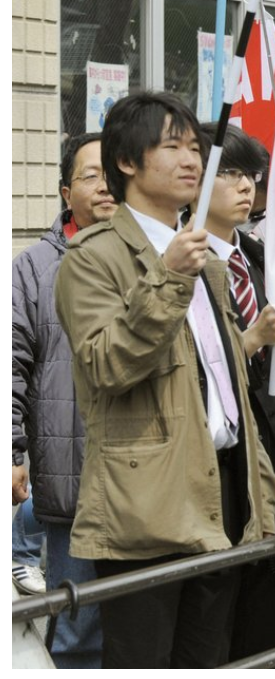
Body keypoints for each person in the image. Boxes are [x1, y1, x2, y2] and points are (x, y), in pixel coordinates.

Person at [53, 92, 275, 669]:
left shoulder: (206, 259)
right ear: (127, 162)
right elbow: (106, 365)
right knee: (145, 660)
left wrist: (259, 486)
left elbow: (221, 385)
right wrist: (169, 278)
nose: (192, 160)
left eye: (195, 149)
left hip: (223, 486)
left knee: (210, 658)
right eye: (172, 147)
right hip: (148, 503)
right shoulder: (93, 257)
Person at [194, 123, 275, 660]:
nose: (247, 186)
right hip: (218, 464)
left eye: (252, 175)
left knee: (271, 616)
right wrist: (249, 341)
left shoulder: (262, 258)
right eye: (231, 173)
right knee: (213, 617)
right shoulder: (183, 265)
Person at [12, 132, 115, 667]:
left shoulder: (152, 259)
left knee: (136, 623)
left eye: (113, 173)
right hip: (71, 478)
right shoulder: (33, 268)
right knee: (78, 624)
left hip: (143, 483)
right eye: (90, 175)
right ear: (65, 192)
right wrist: (12, 452)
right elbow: (12, 365)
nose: (104, 185)